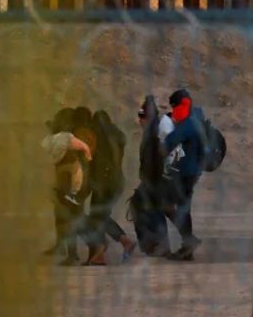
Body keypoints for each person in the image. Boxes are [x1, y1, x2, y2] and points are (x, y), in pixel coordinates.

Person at [81, 110, 137, 265]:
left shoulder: (97, 139)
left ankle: (105, 251)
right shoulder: (117, 136)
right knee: (100, 216)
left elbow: (95, 165)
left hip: (103, 183)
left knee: (97, 216)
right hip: (117, 182)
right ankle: (120, 243)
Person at [163, 89, 207, 261]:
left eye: (174, 107)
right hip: (192, 172)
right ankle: (188, 248)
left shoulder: (189, 123)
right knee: (183, 207)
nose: (173, 111)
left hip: (186, 173)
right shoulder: (195, 120)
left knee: (166, 204)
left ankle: (189, 240)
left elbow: (170, 141)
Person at [41, 108, 90, 264]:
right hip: (70, 179)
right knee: (66, 215)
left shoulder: (69, 138)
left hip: (68, 180)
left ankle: (75, 252)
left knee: (68, 215)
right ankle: (69, 249)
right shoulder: (69, 138)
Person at [131, 96, 178, 257]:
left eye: (142, 117)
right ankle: (154, 243)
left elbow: (158, 159)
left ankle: (159, 243)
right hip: (154, 179)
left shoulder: (154, 133)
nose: (140, 121)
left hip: (156, 180)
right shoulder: (153, 131)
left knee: (154, 209)